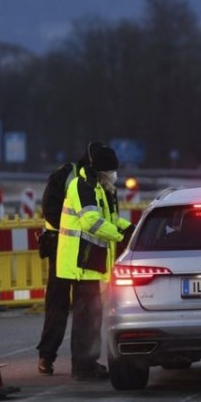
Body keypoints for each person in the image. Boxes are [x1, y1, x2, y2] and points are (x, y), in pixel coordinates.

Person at [56, 143, 134, 380]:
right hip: (81, 262)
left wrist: (131, 229)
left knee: (93, 315)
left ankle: (89, 362)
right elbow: (91, 221)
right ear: (101, 170)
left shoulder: (101, 188)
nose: (114, 175)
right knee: (86, 318)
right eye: (111, 171)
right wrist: (120, 236)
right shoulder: (83, 186)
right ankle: (83, 366)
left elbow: (111, 219)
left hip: (93, 262)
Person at [35, 143, 99, 376]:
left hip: (87, 250)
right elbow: (50, 210)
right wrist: (76, 230)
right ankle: (47, 356)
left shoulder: (98, 182)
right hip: (61, 248)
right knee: (58, 303)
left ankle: (84, 362)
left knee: (87, 307)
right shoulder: (65, 175)